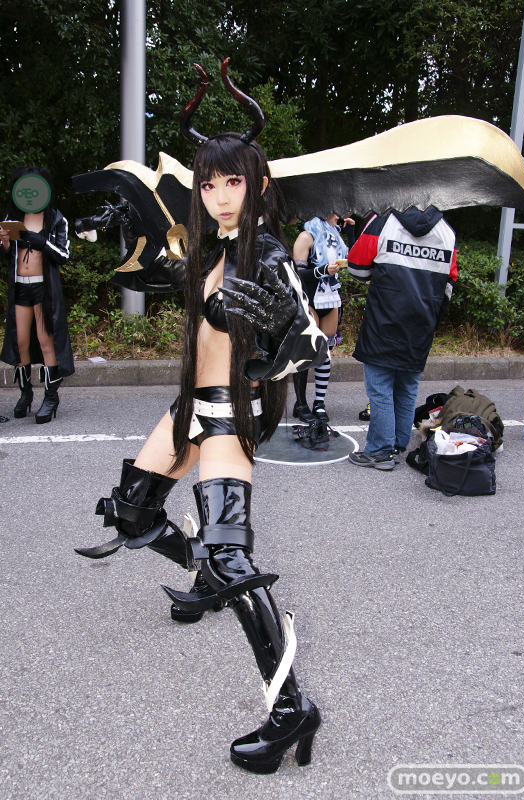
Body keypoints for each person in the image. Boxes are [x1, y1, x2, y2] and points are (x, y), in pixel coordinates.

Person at [75, 63, 326, 774]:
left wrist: (277, 338)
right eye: (208, 184)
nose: (218, 196)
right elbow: (159, 272)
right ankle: (206, 572)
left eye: (232, 182)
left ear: (258, 185)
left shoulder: (266, 255)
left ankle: (292, 709)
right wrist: (123, 225)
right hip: (186, 409)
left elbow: (307, 342)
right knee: (130, 511)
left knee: (231, 554)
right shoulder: (212, 248)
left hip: (226, 420)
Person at [347, 205, 457, 469]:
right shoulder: (447, 231)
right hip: (421, 325)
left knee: (380, 388)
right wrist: (431, 322)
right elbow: (449, 285)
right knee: (407, 388)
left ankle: (380, 451)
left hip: (383, 321)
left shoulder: (382, 221)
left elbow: (356, 268)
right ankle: (396, 445)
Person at [0, 167, 74, 423]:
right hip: (20, 287)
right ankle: (26, 394)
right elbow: (7, 255)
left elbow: (63, 255)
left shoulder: (55, 219)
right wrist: (6, 241)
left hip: (44, 289)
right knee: (20, 342)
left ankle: (51, 398)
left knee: (45, 342)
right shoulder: (13, 217)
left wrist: (41, 242)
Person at [292, 214, 355, 423]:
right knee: (305, 352)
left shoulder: (335, 236)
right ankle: (301, 404)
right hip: (309, 299)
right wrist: (322, 270)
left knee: (325, 352)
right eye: (334, 211)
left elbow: (356, 260)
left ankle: (319, 402)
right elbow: (296, 275)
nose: (338, 215)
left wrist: (350, 232)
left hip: (331, 298)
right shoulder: (306, 236)